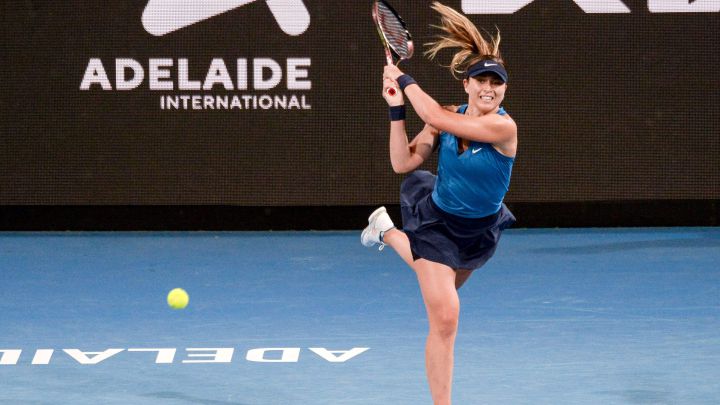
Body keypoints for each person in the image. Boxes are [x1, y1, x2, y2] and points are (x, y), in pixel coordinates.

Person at [361, 2, 517, 404]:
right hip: (437, 222)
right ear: (466, 84)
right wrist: (396, 109)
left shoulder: (503, 127)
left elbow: (431, 111)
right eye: (480, 80)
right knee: (446, 317)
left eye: (495, 83)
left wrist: (405, 78)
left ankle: (386, 231)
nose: (488, 88)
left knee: (436, 279)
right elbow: (403, 162)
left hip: (479, 231)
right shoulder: (445, 116)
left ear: (504, 89)